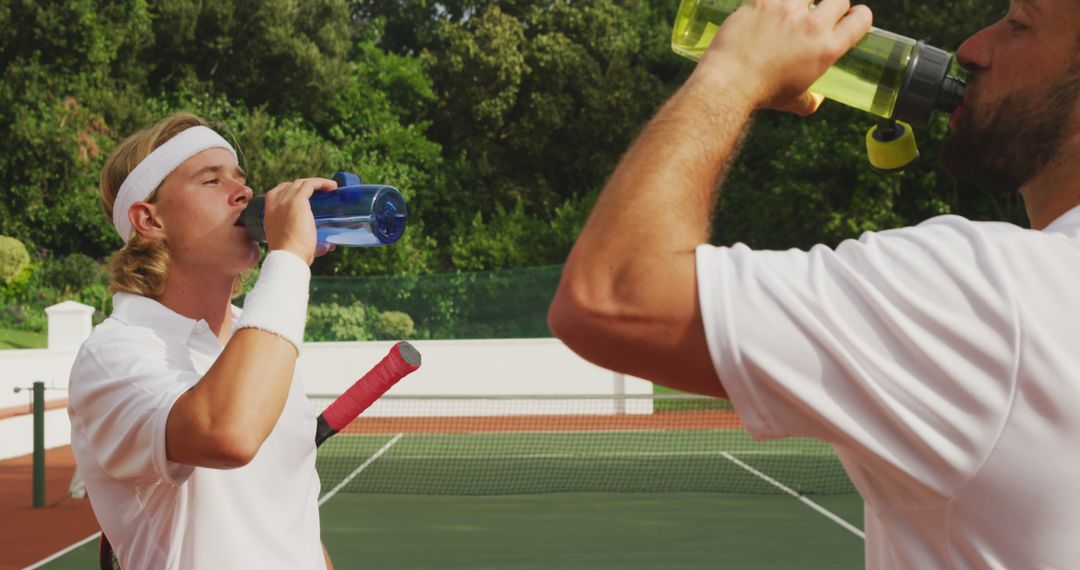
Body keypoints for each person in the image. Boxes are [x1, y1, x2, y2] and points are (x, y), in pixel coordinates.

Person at [549, 0, 1080, 567]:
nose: (972, 49)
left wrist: (734, 73)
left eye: (1019, 24)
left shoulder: (992, 294)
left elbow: (611, 296)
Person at [67, 112, 337, 569]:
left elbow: (294, 519)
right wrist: (290, 257)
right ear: (149, 219)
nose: (244, 193)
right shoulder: (115, 355)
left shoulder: (256, 337)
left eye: (241, 178)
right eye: (211, 181)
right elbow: (229, 433)